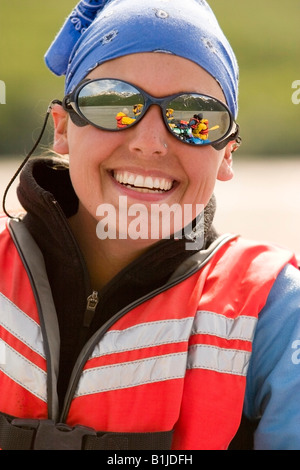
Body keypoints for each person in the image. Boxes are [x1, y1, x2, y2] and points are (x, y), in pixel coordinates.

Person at [0, 0, 300, 451]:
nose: (150, 143)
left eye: (195, 118)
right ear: (61, 129)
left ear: (227, 152)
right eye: (112, 103)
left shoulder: (276, 314)